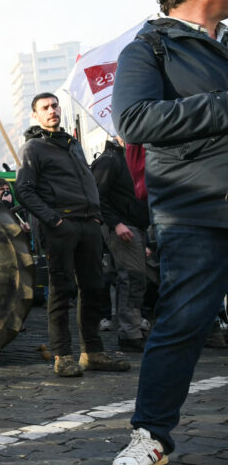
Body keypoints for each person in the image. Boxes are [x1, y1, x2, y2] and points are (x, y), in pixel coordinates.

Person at [110, 0, 228, 465]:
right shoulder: (150, 48)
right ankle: (151, 434)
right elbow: (134, 120)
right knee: (182, 322)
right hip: (195, 208)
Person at [15, 93, 129, 377]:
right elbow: (24, 190)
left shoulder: (72, 144)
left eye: (54, 105)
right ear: (35, 116)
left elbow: (87, 180)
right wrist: (54, 220)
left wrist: (96, 216)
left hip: (88, 224)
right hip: (61, 227)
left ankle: (92, 352)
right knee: (61, 291)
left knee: (93, 289)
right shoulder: (33, 148)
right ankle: (62, 356)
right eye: (45, 108)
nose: (52, 110)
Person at [91, 137, 149, 352]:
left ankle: (132, 329)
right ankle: (130, 333)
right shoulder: (110, 160)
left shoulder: (127, 158)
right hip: (123, 227)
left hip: (133, 226)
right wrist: (116, 223)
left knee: (135, 280)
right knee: (131, 279)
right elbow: (97, 196)